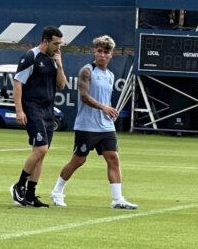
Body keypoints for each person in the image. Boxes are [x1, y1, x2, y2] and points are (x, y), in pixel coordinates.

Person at [50, 35, 137, 209]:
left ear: (111, 55)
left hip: (106, 125)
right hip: (87, 126)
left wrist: (110, 110)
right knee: (78, 161)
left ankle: (117, 199)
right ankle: (57, 191)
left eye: (106, 52)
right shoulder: (87, 71)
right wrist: (104, 107)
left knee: (113, 159)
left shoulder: (111, 75)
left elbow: (104, 99)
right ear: (94, 52)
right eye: (99, 51)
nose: (103, 55)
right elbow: (84, 96)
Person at [9, 26, 67, 208]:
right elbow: (18, 83)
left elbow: (61, 85)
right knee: (40, 149)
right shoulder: (31, 56)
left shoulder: (54, 59)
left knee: (42, 153)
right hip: (32, 108)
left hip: (48, 109)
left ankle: (31, 194)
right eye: (56, 44)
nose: (58, 47)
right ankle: (19, 186)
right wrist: (19, 110)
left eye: (60, 44)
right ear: (45, 41)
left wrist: (60, 65)